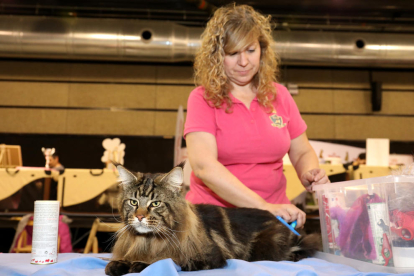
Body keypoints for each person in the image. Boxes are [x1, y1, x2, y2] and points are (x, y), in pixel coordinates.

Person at [184, 4, 329, 229]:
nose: (244, 62)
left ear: (262, 49)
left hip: (274, 218)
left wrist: (310, 173)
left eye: (250, 51)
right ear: (217, 56)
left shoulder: (279, 95)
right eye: (233, 54)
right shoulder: (202, 98)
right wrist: (263, 206)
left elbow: (301, 151)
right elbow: (204, 167)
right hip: (215, 220)